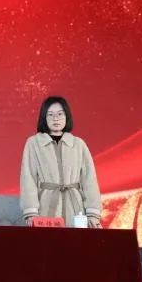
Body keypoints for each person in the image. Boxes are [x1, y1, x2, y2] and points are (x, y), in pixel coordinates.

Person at [20, 96, 103, 227]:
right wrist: (31, 212)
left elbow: (89, 180)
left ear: (67, 116)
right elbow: (28, 178)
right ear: (44, 117)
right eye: (50, 114)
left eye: (60, 114)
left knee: (76, 239)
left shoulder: (78, 144)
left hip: (76, 209)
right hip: (45, 208)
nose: (56, 118)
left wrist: (93, 213)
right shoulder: (34, 143)